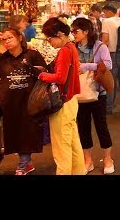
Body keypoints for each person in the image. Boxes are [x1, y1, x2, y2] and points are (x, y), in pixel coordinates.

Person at [0, 28, 47, 175]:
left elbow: (44, 74)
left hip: (30, 103)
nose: (7, 41)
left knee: (27, 133)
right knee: (15, 135)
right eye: (4, 39)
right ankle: (26, 163)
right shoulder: (1, 58)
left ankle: (22, 165)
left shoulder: (32, 55)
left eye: (10, 37)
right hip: (9, 104)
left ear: (20, 38)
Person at [38, 17, 85, 175]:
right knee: (73, 144)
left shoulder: (64, 51)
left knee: (61, 149)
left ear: (59, 34)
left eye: (49, 38)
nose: (49, 42)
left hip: (62, 104)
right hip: (71, 102)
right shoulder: (72, 47)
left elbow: (60, 78)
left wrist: (42, 75)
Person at [71, 18, 115, 175]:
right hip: (79, 94)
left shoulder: (100, 46)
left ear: (86, 31)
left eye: (75, 31)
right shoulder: (72, 47)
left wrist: (87, 66)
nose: (73, 34)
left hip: (98, 93)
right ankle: (87, 160)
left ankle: (108, 159)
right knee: (83, 128)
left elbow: (108, 65)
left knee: (101, 126)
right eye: (72, 31)